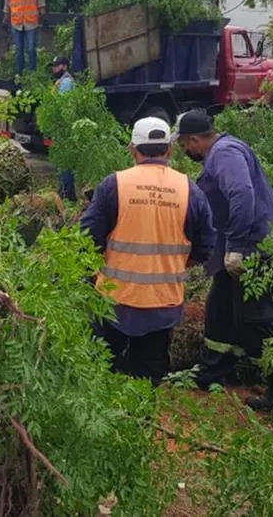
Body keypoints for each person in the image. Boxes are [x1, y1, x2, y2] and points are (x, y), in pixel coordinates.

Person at [80, 117, 215, 386]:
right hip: (162, 303)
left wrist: (90, 274)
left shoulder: (113, 186)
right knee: (148, 379)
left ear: (133, 149)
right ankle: (140, 421)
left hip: (113, 301)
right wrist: (176, 265)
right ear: (169, 150)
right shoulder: (189, 190)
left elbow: (87, 238)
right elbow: (206, 245)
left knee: (98, 370)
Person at [175, 110, 273, 410]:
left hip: (257, 253)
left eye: (185, 146)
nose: (186, 152)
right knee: (220, 311)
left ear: (194, 139)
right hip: (243, 251)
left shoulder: (224, 154)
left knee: (258, 320)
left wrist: (237, 247)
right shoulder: (223, 151)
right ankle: (211, 373)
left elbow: (242, 194)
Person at [3, 0, 46, 76]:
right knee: (19, 51)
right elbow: (7, 2)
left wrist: (42, 12)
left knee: (31, 49)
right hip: (16, 22)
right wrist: (5, 17)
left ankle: (32, 74)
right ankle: (19, 74)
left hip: (30, 22)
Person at [52, 56, 78, 201]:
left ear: (65, 67)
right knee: (63, 161)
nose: (54, 69)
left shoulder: (66, 82)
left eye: (56, 66)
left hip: (64, 127)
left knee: (64, 161)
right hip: (63, 126)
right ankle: (67, 192)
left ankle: (66, 193)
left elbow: (63, 106)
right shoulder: (62, 81)